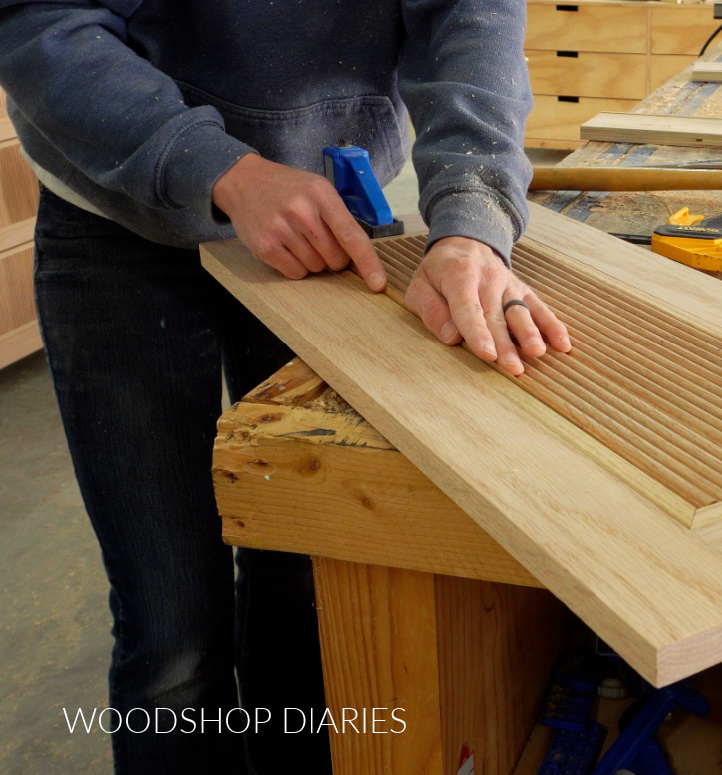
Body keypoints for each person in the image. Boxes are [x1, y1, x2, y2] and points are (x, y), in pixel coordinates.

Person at [0, 0, 570, 772]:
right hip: (116, 203)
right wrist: (219, 166)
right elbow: (42, 24)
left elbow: (469, 18)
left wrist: (472, 219)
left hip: (321, 202)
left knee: (301, 569)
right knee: (173, 632)